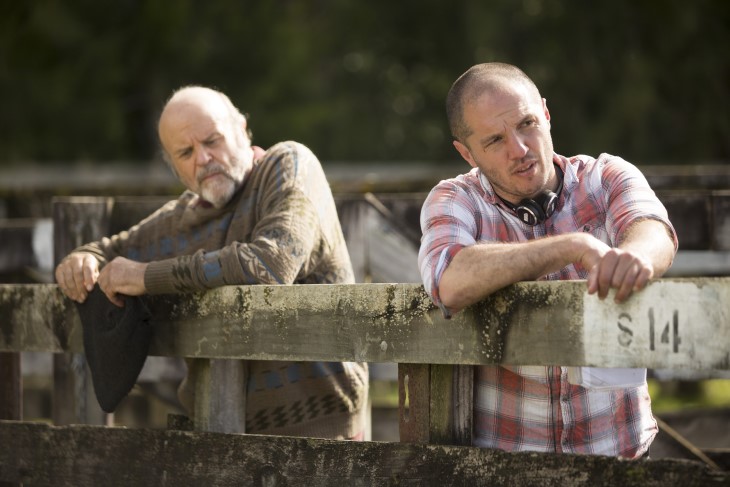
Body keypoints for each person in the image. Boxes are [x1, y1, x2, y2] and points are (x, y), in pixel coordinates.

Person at [55, 85, 368, 440]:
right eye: (186, 152)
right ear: (173, 167)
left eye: (212, 141)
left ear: (242, 129)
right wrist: (80, 261)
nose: (202, 159)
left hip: (324, 439)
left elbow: (269, 265)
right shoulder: (179, 217)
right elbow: (107, 253)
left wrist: (146, 276)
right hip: (214, 435)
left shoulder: (288, 166)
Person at [418, 63, 677, 458]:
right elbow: (448, 280)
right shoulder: (455, 199)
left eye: (527, 123)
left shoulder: (605, 175)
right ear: (466, 152)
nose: (519, 149)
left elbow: (654, 230)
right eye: (494, 140)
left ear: (546, 113)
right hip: (507, 469)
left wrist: (633, 259)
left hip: (621, 462)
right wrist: (572, 247)